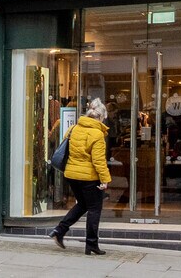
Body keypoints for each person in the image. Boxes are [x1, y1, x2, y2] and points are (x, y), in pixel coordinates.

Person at [51, 98, 112, 256]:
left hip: (71, 174)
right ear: (100, 117)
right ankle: (91, 244)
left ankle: (60, 230)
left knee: (83, 205)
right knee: (94, 209)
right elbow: (98, 161)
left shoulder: (74, 128)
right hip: (89, 177)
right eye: (104, 117)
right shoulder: (97, 134)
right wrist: (105, 179)